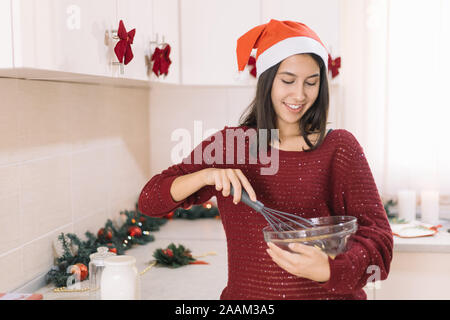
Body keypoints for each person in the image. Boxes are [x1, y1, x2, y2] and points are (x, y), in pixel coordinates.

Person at [138, 19, 393, 300]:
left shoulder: (340, 147)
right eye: (288, 80)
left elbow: (380, 241)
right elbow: (150, 200)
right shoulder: (232, 146)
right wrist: (207, 175)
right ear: (267, 80)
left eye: (312, 82)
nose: (299, 94)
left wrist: (330, 269)